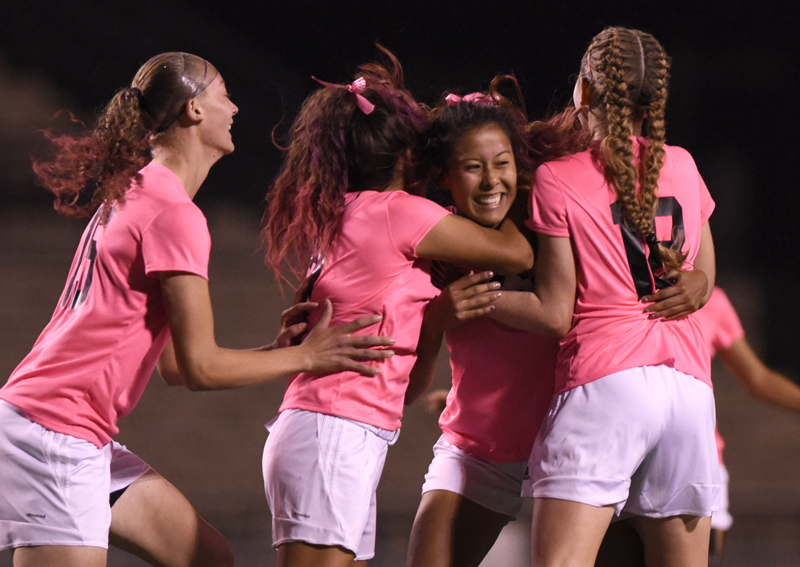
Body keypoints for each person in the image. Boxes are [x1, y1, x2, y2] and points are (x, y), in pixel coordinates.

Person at [0, 52, 394, 567]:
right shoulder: (173, 212)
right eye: (223, 94)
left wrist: (269, 353)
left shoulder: (138, 191)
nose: (234, 107)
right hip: (51, 435)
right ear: (193, 111)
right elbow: (203, 369)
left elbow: (178, 367)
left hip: (69, 430)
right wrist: (309, 357)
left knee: (207, 556)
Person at [260, 48, 534, 567]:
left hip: (342, 432)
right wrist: (521, 186)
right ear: (407, 157)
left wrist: (435, 321)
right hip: (332, 433)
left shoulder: (348, 214)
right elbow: (518, 252)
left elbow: (408, 391)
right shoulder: (398, 214)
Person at [483, 28, 717, 566]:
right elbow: (704, 268)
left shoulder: (557, 177)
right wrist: (699, 285)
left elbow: (554, 312)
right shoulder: (681, 163)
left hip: (606, 382)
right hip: (688, 389)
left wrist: (476, 298)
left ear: (583, 91)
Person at [403, 79, 581, 567]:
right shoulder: (433, 242)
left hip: (575, 441)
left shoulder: (552, 217)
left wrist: (699, 277)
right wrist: (436, 320)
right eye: (472, 168)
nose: (491, 182)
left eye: (501, 164)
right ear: (445, 175)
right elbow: (411, 387)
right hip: (479, 446)